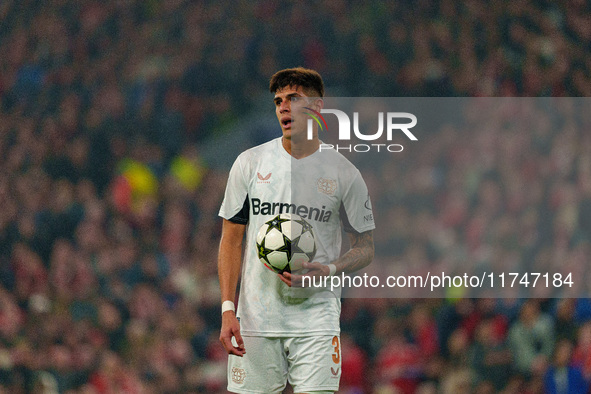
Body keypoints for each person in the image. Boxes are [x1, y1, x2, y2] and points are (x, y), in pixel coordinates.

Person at [218, 67, 375, 394]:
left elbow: (365, 247)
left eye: (293, 99)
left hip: (316, 318)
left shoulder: (345, 174)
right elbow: (231, 240)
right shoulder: (249, 164)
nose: (283, 108)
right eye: (278, 102)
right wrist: (227, 309)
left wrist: (329, 270)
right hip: (257, 318)